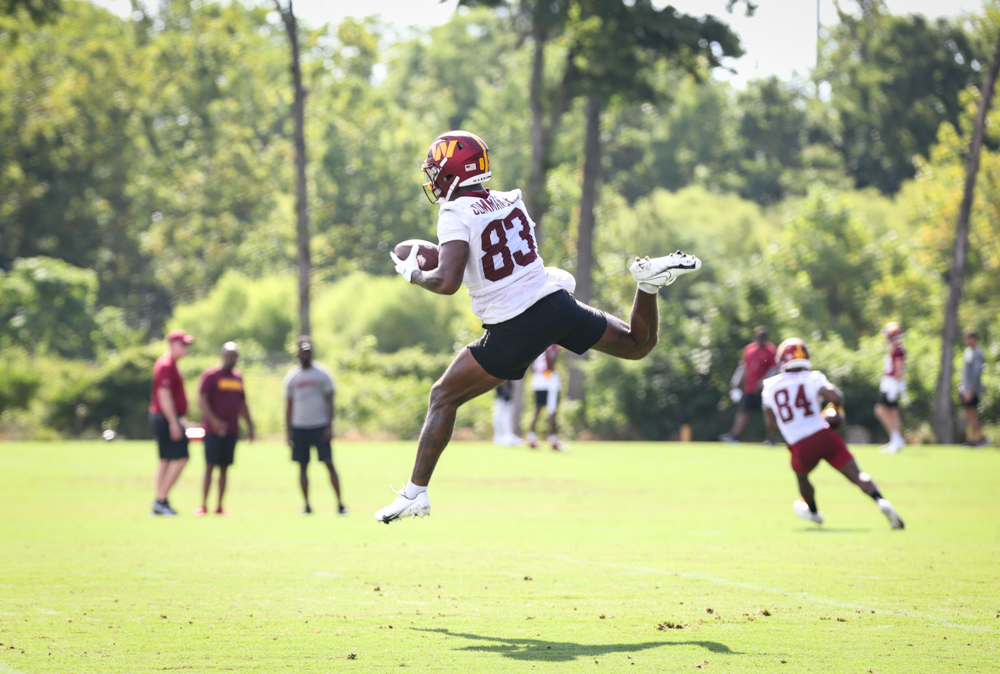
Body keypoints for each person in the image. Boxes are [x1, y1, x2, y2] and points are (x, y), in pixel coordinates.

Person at [375, 130, 701, 523]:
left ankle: (415, 494)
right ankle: (647, 284)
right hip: (554, 302)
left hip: (515, 324)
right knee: (636, 344)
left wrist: (415, 275)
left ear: (453, 173)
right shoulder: (510, 200)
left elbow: (447, 282)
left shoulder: (454, 212)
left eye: (437, 171)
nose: (433, 180)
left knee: (443, 397)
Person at [762, 338, 904, 530]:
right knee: (857, 474)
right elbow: (837, 397)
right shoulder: (812, 377)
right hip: (823, 434)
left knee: (802, 477)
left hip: (799, 444)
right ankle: (881, 501)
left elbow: (772, 424)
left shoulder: (770, 386)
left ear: (782, 360)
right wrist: (832, 413)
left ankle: (813, 512)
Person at [285, 337, 347, 515]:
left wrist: (329, 426)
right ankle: (306, 505)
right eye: (303, 352)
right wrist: (288, 431)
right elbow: (288, 406)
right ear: (298, 353)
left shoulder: (322, 374)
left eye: (309, 351)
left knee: (329, 463)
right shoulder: (292, 377)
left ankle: (340, 504)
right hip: (299, 427)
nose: (306, 354)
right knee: (303, 466)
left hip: (319, 426)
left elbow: (330, 401)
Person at [196, 342, 254, 516]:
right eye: (229, 355)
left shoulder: (238, 377)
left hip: (231, 430)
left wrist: (250, 425)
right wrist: (213, 421)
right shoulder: (211, 375)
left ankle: (219, 506)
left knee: (224, 468)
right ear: (222, 355)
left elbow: (242, 403)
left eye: (235, 356)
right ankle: (203, 505)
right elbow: (202, 400)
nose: (232, 359)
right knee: (210, 466)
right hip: (213, 430)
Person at [149, 329, 194, 516]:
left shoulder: (171, 364)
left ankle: (160, 501)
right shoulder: (166, 364)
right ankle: (161, 500)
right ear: (172, 344)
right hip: (165, 418)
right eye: (182, 344)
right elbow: (164, 395)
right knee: (182, 457)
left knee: (165, 460)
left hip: (164, 417)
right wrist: (174, 423)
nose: (185, 348)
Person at [720, 326, 777, 444]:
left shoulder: (771, 350)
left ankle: (771, 438)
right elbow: (743, 367)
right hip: (750, 388)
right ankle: (735, 435)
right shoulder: (749, 349)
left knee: (769, 413)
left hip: (764, 389)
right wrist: (736, 382)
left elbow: (773, 369)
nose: (760, 339)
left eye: (762, 336)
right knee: (744, 412)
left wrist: (762, 382)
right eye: (758, 336)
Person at [527, 344, 566, 451]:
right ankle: (554, 441)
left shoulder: (535, 346)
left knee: (537, 410)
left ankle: (531, 438)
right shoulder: (551, 345)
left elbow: (530, 364)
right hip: (549, 380)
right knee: (552, 411)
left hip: (537, 379)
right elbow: (552, 359)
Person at [875, 321, 906, 454]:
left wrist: (895, 385)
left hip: (891, 384)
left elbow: (899, 369)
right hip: (890, 383)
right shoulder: (895, 349)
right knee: (892, 412)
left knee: (880, 410)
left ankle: (896, 438)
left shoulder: (898, 350)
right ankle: (896, 440)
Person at [959, 330, 988, 447]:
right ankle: (975, 439)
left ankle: (980, 438)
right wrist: (962, 385)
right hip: (965, 389)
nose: (966, 341)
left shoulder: (978, 353)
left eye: (968, 338)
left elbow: (976, 374)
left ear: (974, 339)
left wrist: (970, 390)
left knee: (972, 414)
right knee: (968, 414)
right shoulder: (967, 352)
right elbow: (966, 372)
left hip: (972, 390)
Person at [492, 380, 522, 446]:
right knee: (504, 417)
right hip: (502, 397)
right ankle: (505, 436)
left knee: (503, 416)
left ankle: (505, 436)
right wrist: (505, 392)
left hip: (503, 397)